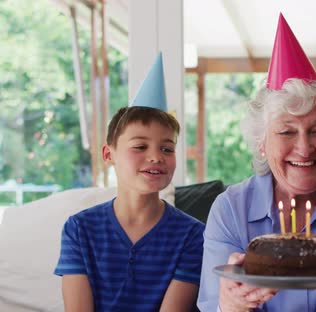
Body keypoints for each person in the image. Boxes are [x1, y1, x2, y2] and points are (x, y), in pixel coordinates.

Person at [197, 13, 316, 312]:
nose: (303, 148)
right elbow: (213, 306)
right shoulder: (230, 209)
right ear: (261, 143)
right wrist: (232, 306)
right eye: (287, 131)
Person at [54, 53, 205, 311]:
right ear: (108, 154)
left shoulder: (193, 235)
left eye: (167, 149)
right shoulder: (79, 230)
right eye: (140, 146)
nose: (156, 157)